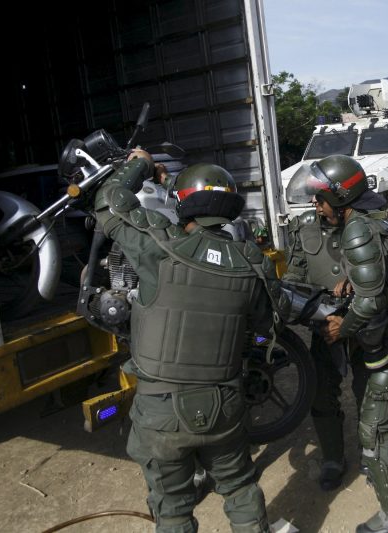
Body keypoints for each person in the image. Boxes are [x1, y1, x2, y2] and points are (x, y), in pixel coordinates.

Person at [91, 153, 277, 532]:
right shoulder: (254, 262)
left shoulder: (160, 246)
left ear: (182, 203)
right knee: (240, 486)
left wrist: (141, 165)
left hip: (161, 410)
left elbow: (108, 201)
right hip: (224, 403)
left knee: (173, 508)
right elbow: (266, 327)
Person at [289, 154, 388, 533]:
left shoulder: (358, 229)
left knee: (374, 422)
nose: (315, 204)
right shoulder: (366, 222)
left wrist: (343, 326)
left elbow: (371, 302)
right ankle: (365, 471)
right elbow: (369, 281)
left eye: (321, 197)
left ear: (340, 198)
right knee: (347, 403)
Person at [280, 192, 368, 491]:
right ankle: (333, 457)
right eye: (313, 199)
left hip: (364, 327)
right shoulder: (305, 227)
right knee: (320, 393)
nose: (315, 205)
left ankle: (373, 452)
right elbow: (295, 276)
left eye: (321, 199)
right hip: (323, 325)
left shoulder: (366, 224)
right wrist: (310, 312)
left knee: (368, 391)